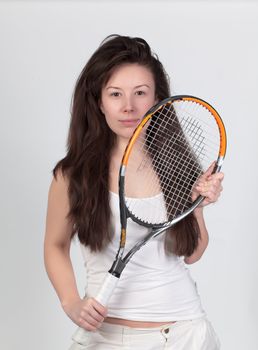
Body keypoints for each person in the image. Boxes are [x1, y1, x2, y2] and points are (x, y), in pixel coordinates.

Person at [44, 34, 224, 350]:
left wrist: (198, 206)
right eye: (115, 94)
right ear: (99, 101)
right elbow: (55, 245)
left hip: (183, 336)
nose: (129, 107)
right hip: (103, 337)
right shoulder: (72, 175)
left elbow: (193, 253)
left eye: (140, 93)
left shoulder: (179, 165)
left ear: (157, 99)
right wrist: (71, 302)